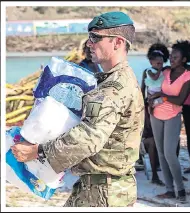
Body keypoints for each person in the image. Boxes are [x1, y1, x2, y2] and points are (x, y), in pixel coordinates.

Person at [11, 11, 145, 207]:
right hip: (98, 186)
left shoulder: (114, 88)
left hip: (105, 193)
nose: (89, 43)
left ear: (117, 43)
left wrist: (37, 152)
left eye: (95, 37)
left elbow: (88, 137)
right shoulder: (111, 81)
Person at [148, 40, 190, 202]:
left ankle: (180, 190)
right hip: (156, 114)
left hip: (173, 117)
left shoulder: (188, 77)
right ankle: (169, 189)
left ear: (184, 59)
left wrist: (163, 96)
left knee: (170, 154)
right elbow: (153, 85)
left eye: (175, 57)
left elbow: (180, 100)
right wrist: (150, 99)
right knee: (161, 154)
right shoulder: (165, 71)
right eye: (171, 56)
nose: (171, 59)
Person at [141, 43, 169, 186]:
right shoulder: (148, 71)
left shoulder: (167, 72)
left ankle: (167, 170)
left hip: (165, 105)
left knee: (168, 141)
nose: (160, 64)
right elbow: (142, 90)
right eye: (157, 62)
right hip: (150, 106)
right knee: (153, 139)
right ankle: (155, 175)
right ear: (151, 62)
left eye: (162, 62)